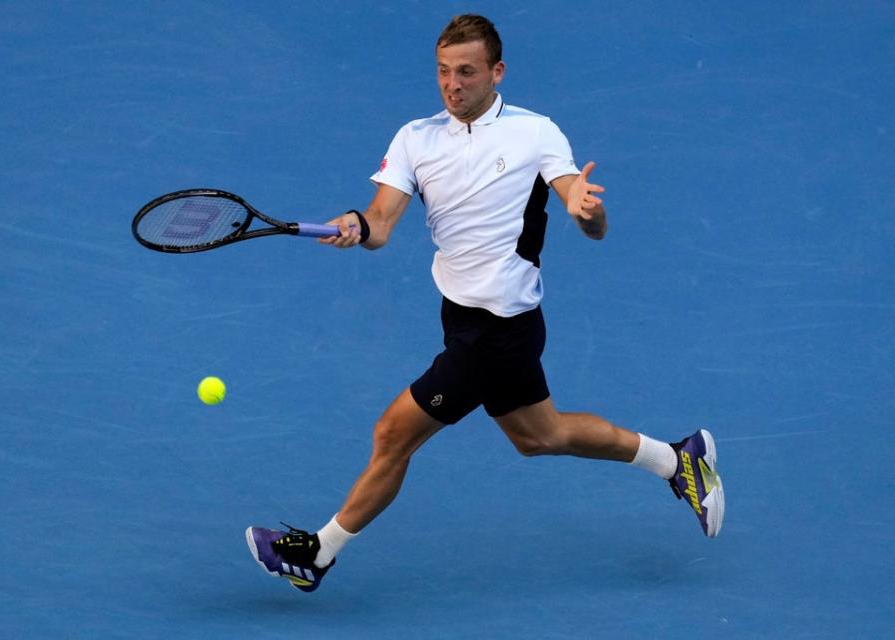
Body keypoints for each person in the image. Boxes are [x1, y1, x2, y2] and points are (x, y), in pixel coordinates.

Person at [246, 14, 724, 593]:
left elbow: (577, 199)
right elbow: (380, 222)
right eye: (444, 72)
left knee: (393, 434)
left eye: (467, 72)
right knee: (539, 436)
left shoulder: (535, 133)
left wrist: (586, 211)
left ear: (496, 72)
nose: (453, 85)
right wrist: (352, 224)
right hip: (462, 319)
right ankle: (679, 462)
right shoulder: (414, 139)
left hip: (500, 330)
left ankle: (318, 553)